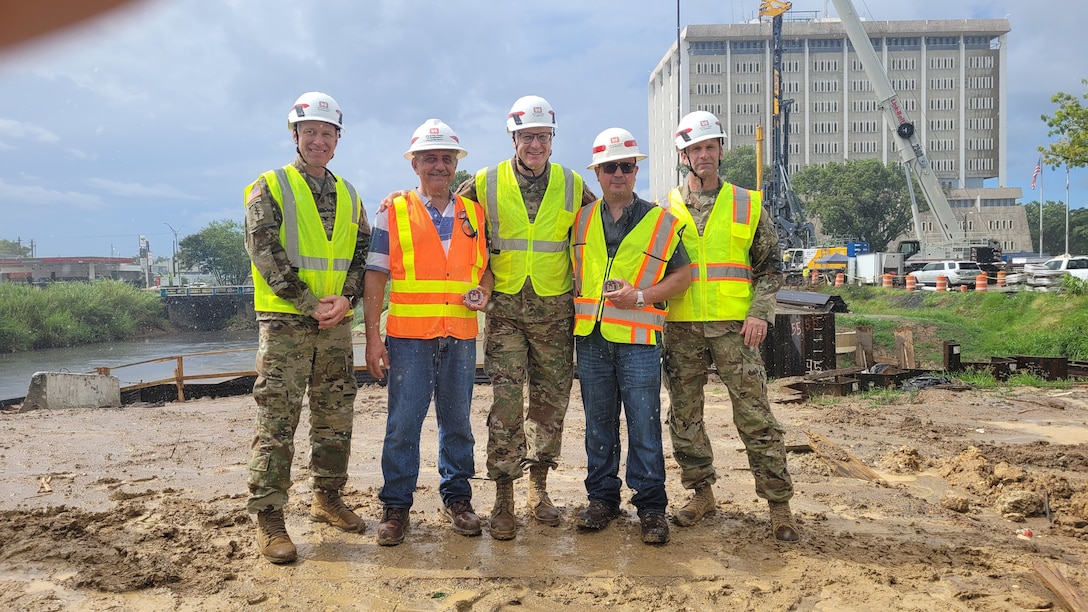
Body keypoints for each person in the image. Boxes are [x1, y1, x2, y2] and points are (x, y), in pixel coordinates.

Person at [453, 95, 596, 539]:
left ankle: (539, 488)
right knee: (507, 405)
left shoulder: (573, 185)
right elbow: (447, 215)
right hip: (505, 313)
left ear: (552, 138)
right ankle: (503, 499)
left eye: (542, 135)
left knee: (550, 405)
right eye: (527, 135)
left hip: (555, 312)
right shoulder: (484, 181)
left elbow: (608, 221)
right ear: (513, 137)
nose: (535, 143)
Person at [243, 91, 371, 564]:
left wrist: (348, 298)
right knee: (277, 421)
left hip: (335, 324)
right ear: (295, 134)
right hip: (285, 324)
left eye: (328, 132)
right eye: (311, 131)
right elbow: (263, 249)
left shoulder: (350, 194)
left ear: (338, 139)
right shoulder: (269, 185)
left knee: (335, 418)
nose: (319, 140)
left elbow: (361, 255)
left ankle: (327, 498)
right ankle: (270, 519)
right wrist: (307, 302)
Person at [661, 110, 800, 542]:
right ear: (683, 156)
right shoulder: (666, 207)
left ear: (721, 150)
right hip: (681, 326)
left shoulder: (747, 202)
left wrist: (760, 313)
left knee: (755, 416)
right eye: (695, 149)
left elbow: (771, 269)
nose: (703, 155)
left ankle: (779, 506)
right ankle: (701, 493)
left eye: (709, 146)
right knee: (684, 416)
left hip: (735, 329)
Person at [364, 119, 489, 546]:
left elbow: (485, 272)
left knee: (457, 422)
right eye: (430, 158)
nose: (439, 165)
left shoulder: (474, 214)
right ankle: (396, 506)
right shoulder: (394, 210)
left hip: (459, 334)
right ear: (415, 164)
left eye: (446, 158)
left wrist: (483, 294)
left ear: (456, 164)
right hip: (409, 338)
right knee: (403, 424)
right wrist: (372, 338)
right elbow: (376, 277)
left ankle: (458, 498)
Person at [570, 128, 690, 544]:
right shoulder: (582, 219)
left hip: (639, 341)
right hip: (591, 339)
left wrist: (640, 297)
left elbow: (682, 277)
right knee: (598, 425)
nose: (617, 173)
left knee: (644, 424)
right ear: (598, 174)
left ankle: (652, 507)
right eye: (609, 167)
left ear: (636, 170)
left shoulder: (660, 222)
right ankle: (602, 499)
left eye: (625, 166)